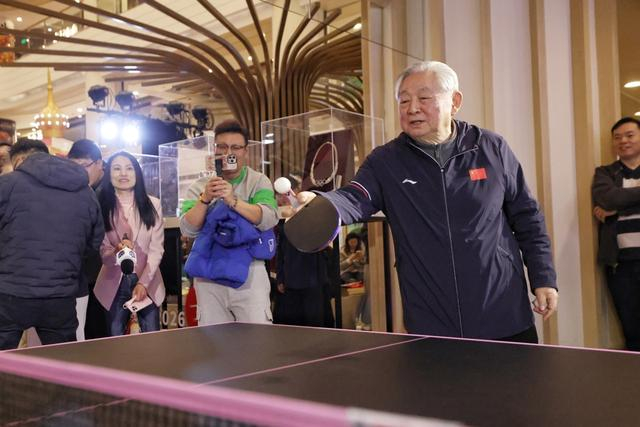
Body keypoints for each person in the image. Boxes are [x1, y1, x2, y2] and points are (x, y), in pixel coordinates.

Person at [291, 61, 558, 342]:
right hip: (431, 323)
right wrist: (321, 203)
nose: (412, 108)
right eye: (404, 100)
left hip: (504, 315)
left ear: (454, 102)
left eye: (424, 98)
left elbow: (528, 217)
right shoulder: (386, 162)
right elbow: (354, 197)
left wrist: (543, 278)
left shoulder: (491, 148)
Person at [0, 139, 104, 350]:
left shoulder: (8, 184)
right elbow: (94, 242)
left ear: (19, 160)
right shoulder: (85, 191)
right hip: (61, 295)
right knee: (62, 360)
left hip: (10, 293)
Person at [180, 119, 278, 325]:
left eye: (235, 147)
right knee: (213, 340)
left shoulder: (258, 181)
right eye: (222, 147)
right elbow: (188, 228)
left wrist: (233, 200)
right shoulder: (200, 185)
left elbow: (268, 217)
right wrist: (205, 198)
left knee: (257, 337)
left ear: (245, 151)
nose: (228, 153)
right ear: (215, 150)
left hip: (250, 272)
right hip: (208, 273)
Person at [94, 151, 165, 336]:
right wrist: (116, 252)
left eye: (129, 168)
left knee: (151, 339)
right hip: (112, 284)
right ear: (108, 174)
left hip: (148, 280)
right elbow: (103, 254)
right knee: (115, 339)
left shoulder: (153, 204)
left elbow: (156, 249)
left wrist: (143, 283)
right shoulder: (101, 206)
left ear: (137, 173)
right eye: (117, 169)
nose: (123, 174)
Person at [592, 116, 640, 351]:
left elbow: (616, 202)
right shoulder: (605, 173)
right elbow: (608, 198)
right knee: (632, 330)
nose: (623, 141)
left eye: (630, 135)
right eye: (618, 137)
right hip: (621, 264)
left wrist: (619, 209)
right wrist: (616, 204)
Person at [274, 177, 334, 327]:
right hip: (290, 280)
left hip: (313, 279)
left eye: (286, 193)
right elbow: (281, 250)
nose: (282, 198)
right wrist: (281, 277)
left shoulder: (311, 211)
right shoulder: (281, 221)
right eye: (279, 195)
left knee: (316, 323)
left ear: (295, 191)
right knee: (293, 326)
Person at [67, 139, 106, 340]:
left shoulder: (109, 191)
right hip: (84, 276)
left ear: (99, 163)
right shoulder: (77, 191)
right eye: (74, 166)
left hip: (107, 276)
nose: (79, 172)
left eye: (84, 165)